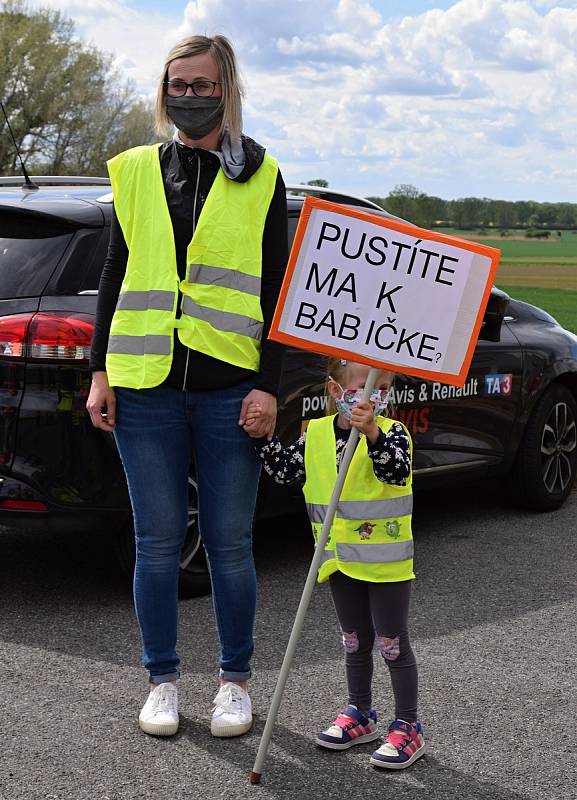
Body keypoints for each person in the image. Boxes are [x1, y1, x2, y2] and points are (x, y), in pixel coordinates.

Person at [86, 34, 288, 739]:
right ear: (163, 89)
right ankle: (162, 681)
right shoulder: (136, 170)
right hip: (144, 386)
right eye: (179, 83)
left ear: (226, 92)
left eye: (204, 86)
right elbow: (116, 271)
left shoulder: (261, 176)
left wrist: (269, 386)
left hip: (231, 387)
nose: (190, 96)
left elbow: (280, 285)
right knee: (158, 540)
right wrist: (99, 369)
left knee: (230, 542)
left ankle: (234, 682)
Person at [243, 357, 425, 769]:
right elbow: (285, 469)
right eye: (362, 388)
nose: (372, 397)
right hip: (338, 561)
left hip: (386, 564)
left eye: (382, 389)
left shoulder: (393, 433)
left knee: (391, 644)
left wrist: (373, 433)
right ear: (334, 391)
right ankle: (360, 711)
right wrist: (259, 438)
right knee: (354, 641)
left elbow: (396, 472)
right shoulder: (317, 434)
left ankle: (409, 725)